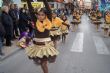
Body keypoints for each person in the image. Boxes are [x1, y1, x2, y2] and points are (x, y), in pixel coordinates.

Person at [24, 9, 59, 73]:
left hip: (45, 47)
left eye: (42, 15)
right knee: (42, 64)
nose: (40, 16)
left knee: (43, 64)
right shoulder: (35, 21)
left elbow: (49, 10)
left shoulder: (49, 21)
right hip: (37, 47)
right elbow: (30, 10)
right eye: (39, 15)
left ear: (45, 15)